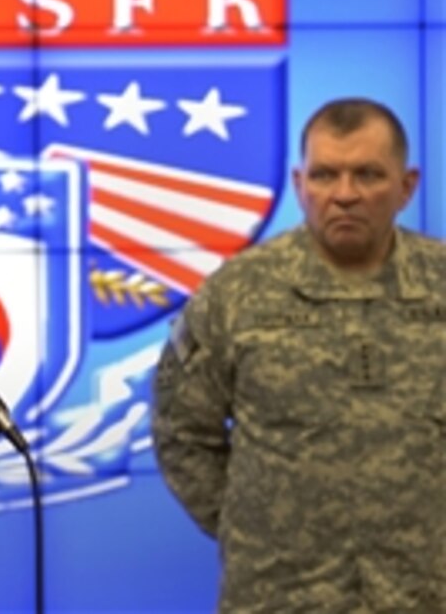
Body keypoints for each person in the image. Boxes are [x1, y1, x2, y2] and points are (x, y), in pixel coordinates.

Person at [152, 97, 446, 613]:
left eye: (368, 175)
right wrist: (252, 527)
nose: (346, 195)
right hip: (279, 594)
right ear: (298, 184)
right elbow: (180, 430)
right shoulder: (237, 293)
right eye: (326, 175)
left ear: (407, 187)